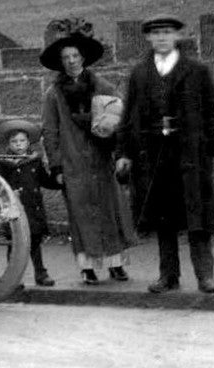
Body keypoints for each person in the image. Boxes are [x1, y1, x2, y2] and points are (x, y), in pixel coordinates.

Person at [117, 14, 214, 294]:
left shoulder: (196, 71)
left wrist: (207, 149)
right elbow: (128, 116)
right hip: (154, 156)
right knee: (164, 218)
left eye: (167, 32)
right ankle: (168, 275)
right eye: (156, 33)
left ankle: (205, 276)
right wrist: (124, 152)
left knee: (196, 217)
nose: (162, 37)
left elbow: (213, 113)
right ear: (149, 38)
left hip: (190, 155)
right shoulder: (140, 74)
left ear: (177, 36)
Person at [40, 17, 133, 285]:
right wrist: (56, 166)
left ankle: (116, 264)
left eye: (75, 55)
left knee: (109, 209)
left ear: (83, 58)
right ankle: (87, 267)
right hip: (73, 163)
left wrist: (117, 149)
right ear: (61, 61)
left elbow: (118, 115)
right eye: (66, 57)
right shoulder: (53, 94)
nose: (71, 61)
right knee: (80, 214)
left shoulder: (101, 85)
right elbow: (50, 131)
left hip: (100, 158)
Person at [0, 118, 60, 287]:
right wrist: (8, 192)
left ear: (28, 142)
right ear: (8, 144)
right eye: (14, 141)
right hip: (14, 209)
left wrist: (59, 180)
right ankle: (13, 278)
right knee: (14, 245)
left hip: (33, 208)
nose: (18, 144)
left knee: (35, 242)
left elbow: (44, 180)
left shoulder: (34, 161)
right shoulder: (2, 164)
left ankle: (41, 273)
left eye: (22, 140)